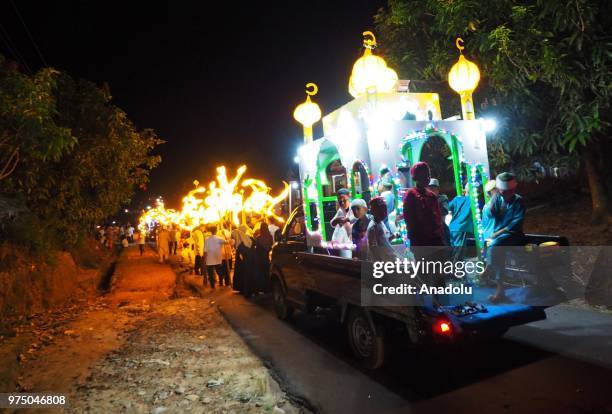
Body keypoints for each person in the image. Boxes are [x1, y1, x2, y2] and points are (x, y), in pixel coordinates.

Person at [486, 172, 526, 303]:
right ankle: (500, 287)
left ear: (513, 190)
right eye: (503, 192)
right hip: (499, 237)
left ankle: (488, 269)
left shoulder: (518, 201)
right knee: (496, 247)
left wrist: (497, 234)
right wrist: (494, 197)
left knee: (494, 245)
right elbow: (490, 214)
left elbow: (515, 224)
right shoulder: (497, 198)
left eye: (508, 192)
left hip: (514, 235)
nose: (506, 194)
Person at [403, 163, 444, 247]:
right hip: (420, 241)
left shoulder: (431, 196)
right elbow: (409, 219)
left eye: (428, 175)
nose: (427, 178)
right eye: (423, 176)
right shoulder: (411, 194)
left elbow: (438, 217)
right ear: (416, 177)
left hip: (435, 240)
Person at [367, 197, 399, 261]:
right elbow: (374, 249)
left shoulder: (380, 223)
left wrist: (393, 236)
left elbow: (383, 242)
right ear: (373, 211)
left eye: (385, 209)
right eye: (381, 209)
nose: (384, 212)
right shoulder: (373, 227)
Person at [448, 184, 475, 261]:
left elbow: (449, 207)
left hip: (452, 227)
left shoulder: (457, 199)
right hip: (462, 228)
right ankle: (454, 270)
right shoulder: (472, 200)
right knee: (458, 253)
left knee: (453, 251)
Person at [330, 188, 355, 258]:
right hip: (338, 243)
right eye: (339, 201)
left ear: (349, 197)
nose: (342, 203)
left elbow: (355, 220)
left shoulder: (354, 209)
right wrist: (336, 220)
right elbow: (332, 223)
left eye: (344, 200)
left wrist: (346, 220)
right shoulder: (340, 210)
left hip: (348, 242)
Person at [427, 178, 450, 246]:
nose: (431, 190)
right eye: (429, 188)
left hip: (440, 228)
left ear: (438, 189)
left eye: (433, 188)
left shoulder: (442, 198)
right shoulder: (424, 199)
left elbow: (445, 211)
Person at [231, 224, 253, 292]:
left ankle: (242, 287)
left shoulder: (241, 236)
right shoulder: (246, 237)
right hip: (244, 258)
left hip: (242, 258)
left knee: (241, 272)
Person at [253, 222, 273, 293]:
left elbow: (255, 248)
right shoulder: (270, 237)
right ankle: (268, 288)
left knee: (260, 274)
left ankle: (261, 288)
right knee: (267, 273)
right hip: (266, 258)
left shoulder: (258, 238)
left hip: (259, 259)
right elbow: (271, 246)